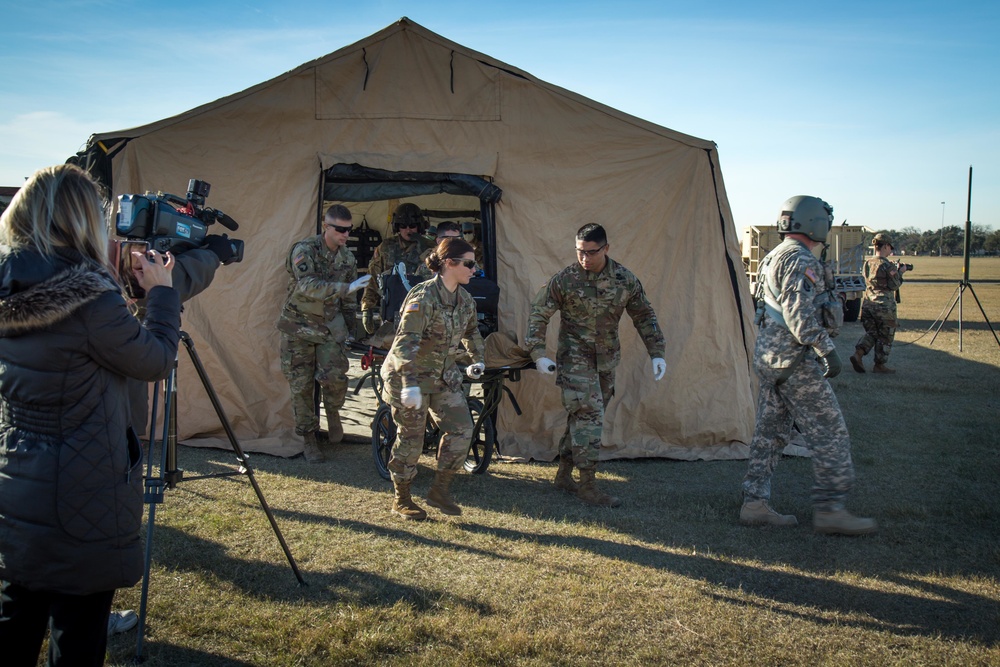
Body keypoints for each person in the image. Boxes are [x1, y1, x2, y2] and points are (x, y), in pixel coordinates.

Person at [0, 164, 181, 666]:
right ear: (81, 220)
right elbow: (154, 359)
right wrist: (163, 293)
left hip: (20, 480)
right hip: (82, 491)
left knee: (18, 612)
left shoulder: (10, 283)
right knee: (78, 631)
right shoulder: (89, 301)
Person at [740, 195, 877, 535]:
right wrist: (825, 349)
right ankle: (832, 509)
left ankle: (754, 503)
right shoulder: (801, 260)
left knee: (769, 435)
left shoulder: (774, 256)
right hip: (795, 361)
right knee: (830, 433)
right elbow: (798, 315)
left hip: (770, 359)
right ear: (815, 223)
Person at [525, 223, 666, 508]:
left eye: (591, 252)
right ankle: (587, 485)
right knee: (590, 415)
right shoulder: (565, 279)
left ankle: (564, 475)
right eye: (580, 252)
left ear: (606, 248)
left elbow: (643, 315)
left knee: (581, 416)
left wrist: (657, 351)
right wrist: (538, 352)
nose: (585, 258)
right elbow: (539, 313)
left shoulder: (624, 279)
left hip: (606, 360)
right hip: (574, 358)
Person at [380, 238, 486, 520]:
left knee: (462, 429)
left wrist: (478, 360)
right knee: (411, 439)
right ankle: (401, 498)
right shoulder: (423, 298)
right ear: (449, 264)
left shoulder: (464, 299)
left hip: (441, 376)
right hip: (410, 376)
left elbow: (472, 333)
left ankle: (440, 490)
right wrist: (410, 383)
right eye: (469, 264)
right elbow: (404, 344)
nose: (474, 270)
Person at [276, 205, 371, 463]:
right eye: (340, 229)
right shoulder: (304, 250)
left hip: (330, 326)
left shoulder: (347, 259)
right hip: (299, 326)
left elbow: (350, 302)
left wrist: (351, 330)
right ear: (325, 227)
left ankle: (333, 412)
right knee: (302, 385)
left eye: (348, 230)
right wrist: (346, 287)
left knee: (336, 378)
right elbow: (307, 285)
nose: (345, 235)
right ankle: (309, 439)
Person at [360, 202, 435, 334]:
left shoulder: (430, 247)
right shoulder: (386, 247)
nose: (408, 230)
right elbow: (372, 277)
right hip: (391, 310)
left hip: (422, 311)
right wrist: (367, 308)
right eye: (403, 226)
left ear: (419, 226)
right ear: (397, 227)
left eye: (412, 226)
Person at [851, 232, 907, 374]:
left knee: (872, 332)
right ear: (886, 246)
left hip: (869, 303)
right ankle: (879, 365)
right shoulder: (887, 265)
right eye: (890, 247)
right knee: (885, 335)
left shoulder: (868, 263)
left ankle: (858, 354)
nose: (891, 250)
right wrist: (900, 272)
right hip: (884, 306)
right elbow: (894, 285)